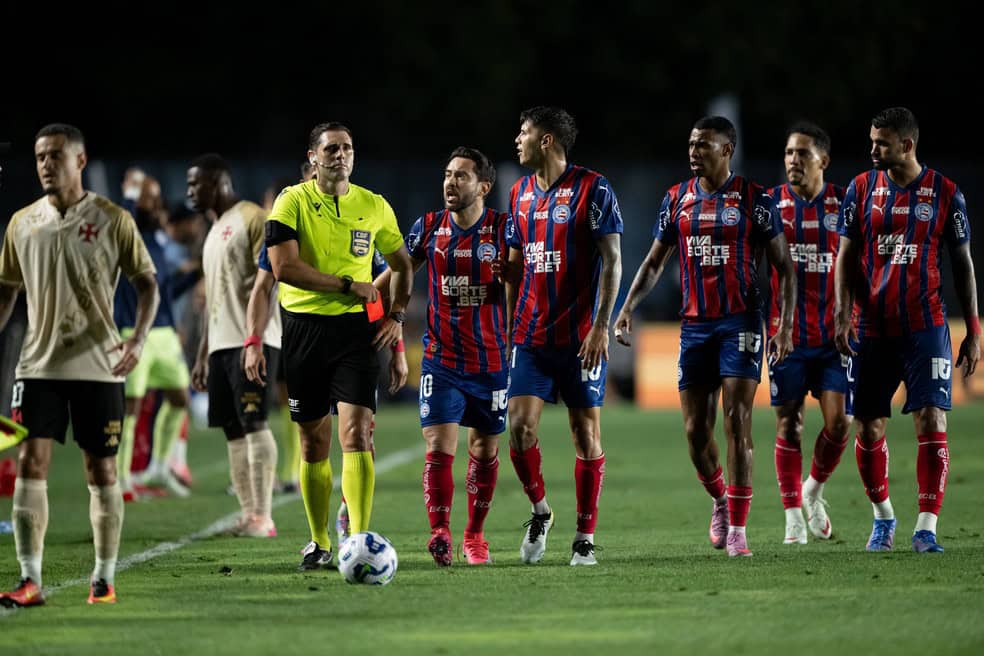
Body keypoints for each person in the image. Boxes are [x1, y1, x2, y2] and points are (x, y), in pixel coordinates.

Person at [614, 116, 796, 558]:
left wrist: (784, 325)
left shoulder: (755, 201)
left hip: (741, 323)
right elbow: (655, 261)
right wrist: (627, 309)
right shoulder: (676, 200)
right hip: (695, 327)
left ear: (727, 150)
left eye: (703, 146)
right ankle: (719, 499)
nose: (694, 152)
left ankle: (738, 529)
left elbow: (784, 267)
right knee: (697, 433)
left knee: (737, 417)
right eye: (691, 144)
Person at [0, 124, 159, 606]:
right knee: (31, 461)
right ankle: (30, 580)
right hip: (38, 364)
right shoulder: (21, 222)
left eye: (54, 156)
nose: (46, 165)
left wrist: (138, 338)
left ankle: (104, 579)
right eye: (39, 157)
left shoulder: (113, 219)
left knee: (102, 469)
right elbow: (6, 289)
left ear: (80, 160)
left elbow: (147, 283)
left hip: (98, 364)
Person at [265, 122, 413, 570]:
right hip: (304, 328)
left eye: (347, 147)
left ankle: (361, 538)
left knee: (358, 434)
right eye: (331, 148)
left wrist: (397, 316)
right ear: (312, 156)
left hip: (356, 333)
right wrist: (348, 284)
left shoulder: (373, 205)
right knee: (313, 442)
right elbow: (283, 268)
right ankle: (319, 540)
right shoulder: (290, 201)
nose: (341, 155)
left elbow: (403, 264)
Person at [834, 107, 979, 553]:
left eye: (881, 143)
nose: (872, 149)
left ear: (907, 145)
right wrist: (842, 314)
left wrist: (972, 329)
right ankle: (883, 519)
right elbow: (844, 257)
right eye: (872, 140)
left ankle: (927, 528)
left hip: (925, 326)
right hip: (872, 328)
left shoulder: (945, 193)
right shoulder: (860, 190)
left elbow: (963, 265)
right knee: (868, 427)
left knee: (931, 419)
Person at [497, 107, 622, 566]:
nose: (518, 139)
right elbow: (514, 268)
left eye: (524, 132)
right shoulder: (518, 194)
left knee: (584, 434)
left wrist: (600, 325)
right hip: (531, 335)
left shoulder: (594, 188)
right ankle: (541, 511)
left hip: (580, 338)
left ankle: (584, 537)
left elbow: (613, 261)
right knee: (520, 427)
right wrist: (511, 327)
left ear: (547, 140)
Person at [382, 147, 508, 566]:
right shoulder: (429, 228)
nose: (450, 183)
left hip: (491, 362)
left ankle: (474, 535)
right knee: (438, 445)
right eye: (448, 174)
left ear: (483, 187)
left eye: (461, 176)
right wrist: (367, 300)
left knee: (485, 451)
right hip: (442, 360)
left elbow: (525, 285)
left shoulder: (503, 231)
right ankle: (439, 532)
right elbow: (399, 271)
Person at [766, 122, 852, 544]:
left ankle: (811, 491)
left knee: (839, 424)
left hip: (834, 336)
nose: (792, 161)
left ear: (823, 160)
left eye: (801, 153)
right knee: (790, 425)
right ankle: (792, 519)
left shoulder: (844, 205)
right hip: (787, 336)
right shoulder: (771, 206)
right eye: (787, 153)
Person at [188, 153, 280, 538]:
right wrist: (202, 352)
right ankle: (248, 513)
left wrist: (255, 337)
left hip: (252, 340)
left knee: (253, 421)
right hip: (220, 344)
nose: (191, 192)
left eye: (197, 184)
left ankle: (264, 516)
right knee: (231, 427)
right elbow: (214, 298)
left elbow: (272, 279)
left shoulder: (251, 218)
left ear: (219, 182)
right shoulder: (212, 231)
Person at [114, 170, 196, 501]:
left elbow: (166, 290)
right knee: (130, 408)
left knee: (180, 399)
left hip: (162, 333)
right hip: (134, 331)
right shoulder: (126, 231)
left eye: (156, 196)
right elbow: (124, 219)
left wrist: (197, 273)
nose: (156, 202)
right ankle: (120, 480)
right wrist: (131, 196)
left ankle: (160, 466)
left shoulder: (157, 240)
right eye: (150, 196)